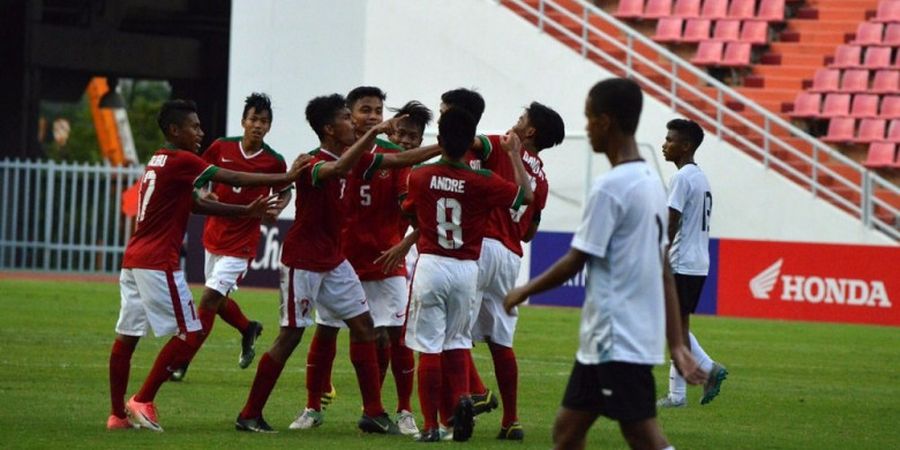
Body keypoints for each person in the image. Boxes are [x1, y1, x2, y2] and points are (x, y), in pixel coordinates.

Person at [503, 78, 707, 450]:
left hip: (617, 337)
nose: (586, 128)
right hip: (613, 338)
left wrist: (522, 290)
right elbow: (662, 264)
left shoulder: (611, 187)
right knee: (567, 432)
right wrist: (676, 344)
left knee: (643, 435)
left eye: (589, 118)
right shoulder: (650, 180)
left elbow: (576, 259)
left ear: (606, 122)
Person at [234, 93, 440, 434]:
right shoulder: (313, 163)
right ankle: (250, 413)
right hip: (303, 259)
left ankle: (373, 412)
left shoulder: (354, 157)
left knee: (364, 327)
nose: (357, 122)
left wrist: (443, 149)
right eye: (349, 117)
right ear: (330, 129)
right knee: (291, 336)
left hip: (334, 260)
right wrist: (372, 135)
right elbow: (339, 169)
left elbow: (402, 159)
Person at [107, 99, 310, 431]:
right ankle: (142, 400)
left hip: (134, 259)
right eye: (194, 126)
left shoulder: (159, 159)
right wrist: (288, 176)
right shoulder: (184, 159)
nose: (201, 132)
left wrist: (245, 212)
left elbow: (195, 204)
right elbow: (230, 176)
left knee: (127, 337)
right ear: (175, 130)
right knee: (192, 331)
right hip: (159, 261)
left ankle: (117, 415)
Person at [294, 89, 428, 435]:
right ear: (348, 116)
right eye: (364, 110)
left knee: (396, 337)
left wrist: (406, 242)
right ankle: (312, 407)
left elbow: (413, 211)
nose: (372, 115)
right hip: (341, 262)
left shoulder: (393, 156)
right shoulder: (327, 158)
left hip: (385, 260)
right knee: (326, 331)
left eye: (378, 110)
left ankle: (403, 411)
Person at [402, 107, 534, 442]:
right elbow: (525, 198)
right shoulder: (484, 181)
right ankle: (457, 413)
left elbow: (408, 211)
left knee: (429, 348)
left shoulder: (419, 175)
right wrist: (515, 157)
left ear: (440, 140)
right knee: (458, 341)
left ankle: (431, 426)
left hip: (431, 263)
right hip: (466, 268)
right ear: (468, 143)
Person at [169, 93, 289, 382]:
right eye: (254, 119)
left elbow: (284, 188)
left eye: (264, 121)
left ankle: (180, 362)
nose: (258, 126)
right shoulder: (221, 147)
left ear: (269, 127)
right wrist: (201, 192)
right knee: (217, 301)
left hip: (242, 244)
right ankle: (248, 328)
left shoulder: (274, 161)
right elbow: (197, 178)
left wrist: (279, 206)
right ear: (243, 122)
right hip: (214, 236)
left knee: (208, 300)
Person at [465, 102, 565, 441]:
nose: (515, 121)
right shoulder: (542, 178)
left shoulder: (499, 143)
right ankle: (511, 420)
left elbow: (464, 143)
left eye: (521, 118)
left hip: (480, 245)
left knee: (452, 330)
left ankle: (477, 391)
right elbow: (529, 231)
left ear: (530, 131)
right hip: (510, 255)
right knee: (501, 340)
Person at [657, 118, 727, 408]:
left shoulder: (682, 177)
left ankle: (709, 368)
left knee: (673, 326)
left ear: (686, 146)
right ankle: (677, 396)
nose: (665, 143)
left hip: (681, 262)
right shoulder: (700, 177)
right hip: (698, 262)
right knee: (678, 325)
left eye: (670, 139)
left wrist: (659, 254)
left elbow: (671, 221)